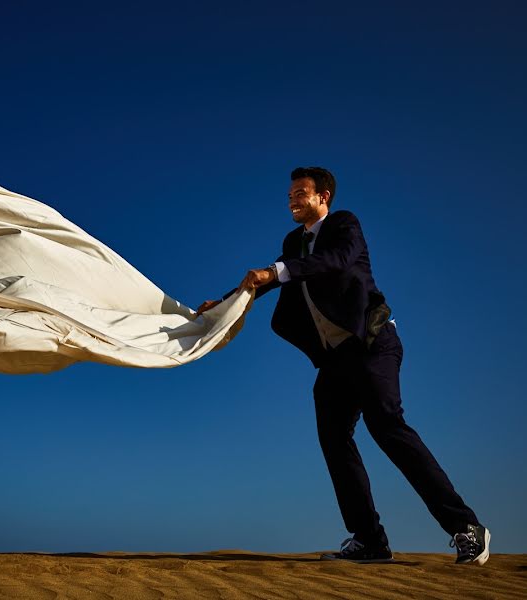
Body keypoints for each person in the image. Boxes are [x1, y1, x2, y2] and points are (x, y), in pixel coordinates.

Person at [197, 166, 489, 565]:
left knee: (387, 427)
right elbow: (271, 280)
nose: (293, 199)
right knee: (334, 441)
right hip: (336, 361)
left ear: (324, 197)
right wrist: (228, 301)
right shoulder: (293, 242)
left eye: (301, 193)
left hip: (372, 345)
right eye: (290, 195)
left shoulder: (344, 226)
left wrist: (276, 270)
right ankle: (369, 539)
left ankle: (466, 528)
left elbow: (333, 261)